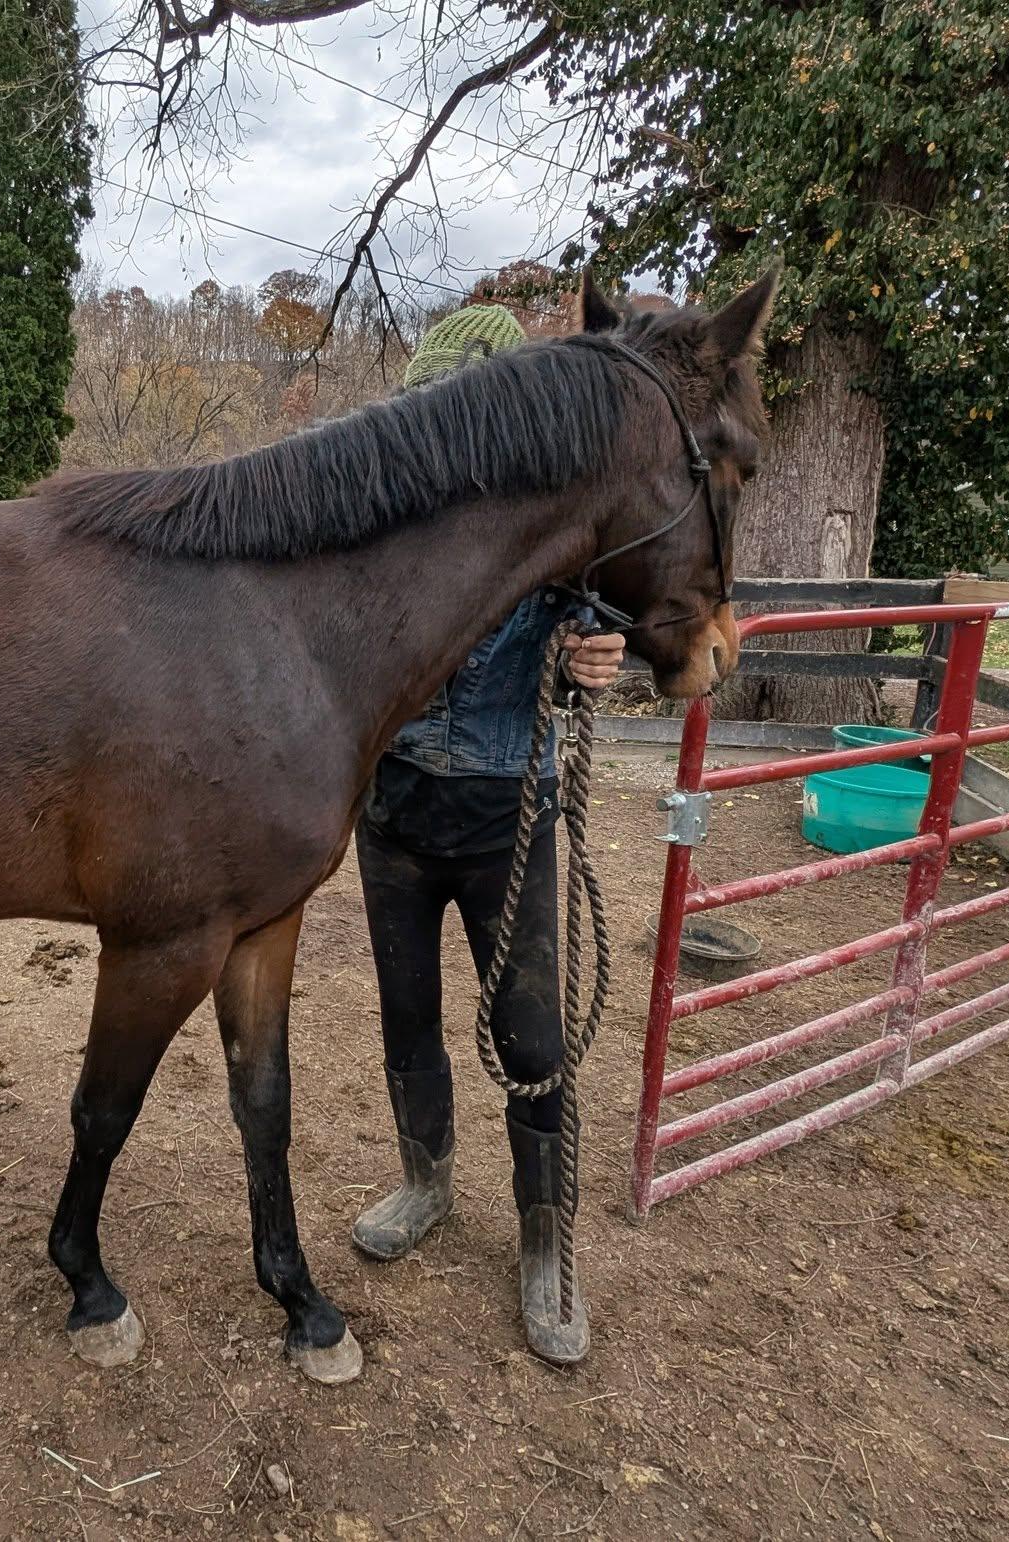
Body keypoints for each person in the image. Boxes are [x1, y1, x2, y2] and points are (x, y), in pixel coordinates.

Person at [350, 303, 626, 1365]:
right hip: (395, 809)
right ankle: (424, 1181)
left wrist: (593, 654)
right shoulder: (387, 522)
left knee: (532, 1041)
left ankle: (545, 1246)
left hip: (507, 809)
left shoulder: (551, 525)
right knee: (405, 1014)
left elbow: (602, 622)